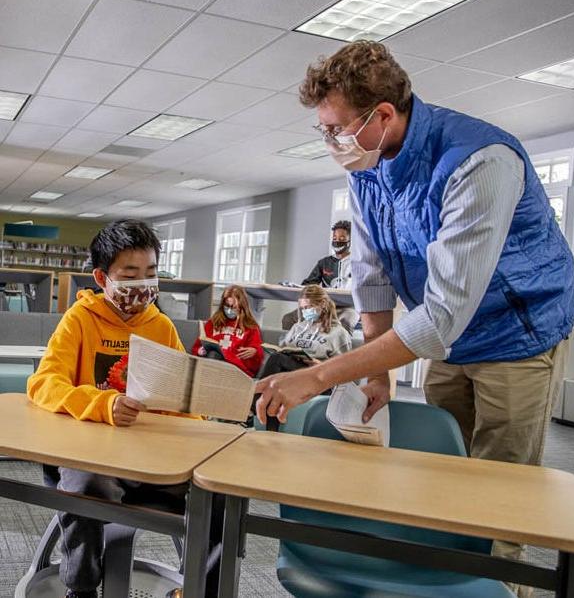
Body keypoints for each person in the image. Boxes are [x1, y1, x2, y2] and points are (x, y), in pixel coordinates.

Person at [254, 41, 574, 598]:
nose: (330, 142)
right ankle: (444, 579)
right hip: (452, 338)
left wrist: (318, 375)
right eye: (323, 130)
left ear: (383, 115)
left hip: (518, 334)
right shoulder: (368, 164)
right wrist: (375, 371)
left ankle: (501, 588)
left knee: (499, 499)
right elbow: (373, 274)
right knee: (446, 479)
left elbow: (438, 321)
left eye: (336, 129)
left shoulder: (479, 161)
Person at [27, 220, 222, 598]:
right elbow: (44, 383)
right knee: (85, 488)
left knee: (218, 499)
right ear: (102, 277)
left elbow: (178, 397)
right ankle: (81, 588)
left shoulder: (161, 326)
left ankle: (200, 587)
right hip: (91, 455)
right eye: (130, 275)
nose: (143, 285)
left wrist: (199, 424)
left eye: (151, 273)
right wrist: (103, 403)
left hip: (150, 458)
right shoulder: (80, 320)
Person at [281, 220, 359, 334]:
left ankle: (342, 351)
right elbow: (309, 284)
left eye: (342, 239)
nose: (337, 241)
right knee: (288, 319)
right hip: (323, 306)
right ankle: (293, 349)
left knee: (345, 322)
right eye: (335, 238)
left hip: (349, 307)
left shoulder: (358, 263)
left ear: (350, 240)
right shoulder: (324, 263)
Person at [262, 284, 352, 382]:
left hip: (319, 374)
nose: (305, 312)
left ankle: (256, 394)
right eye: (303, 308)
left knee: (277, 359)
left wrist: (320, 365)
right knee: (277, 358)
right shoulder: (298, 327)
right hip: (293, 370)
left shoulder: (339, 333)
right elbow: (283, 349)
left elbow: (344, 369)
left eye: (309, 307)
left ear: (322, 304)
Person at [191, 284, 264, 377]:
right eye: (227, 306)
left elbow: (257, 357)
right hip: (212, 364)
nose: (229, 310)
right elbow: (197, 347)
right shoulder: (213, 323)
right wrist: (200, 351)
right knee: (213, 354)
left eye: (233, 307)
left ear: (242, 306)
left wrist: (255, 351)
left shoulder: (251, 326)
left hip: (237, 370)